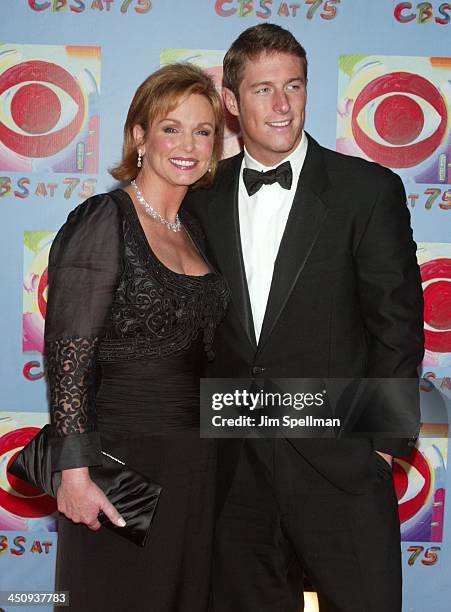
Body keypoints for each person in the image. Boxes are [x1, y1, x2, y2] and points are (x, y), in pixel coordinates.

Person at [183, 24, 424, 612]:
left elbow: (396, 325)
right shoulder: (199, 198)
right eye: (263, 90)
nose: (283, 105)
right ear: (233, 104)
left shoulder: (366, 190)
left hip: (341, 468)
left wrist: (383, 449)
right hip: (234, 475)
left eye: (293, 86)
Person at [45, 62, 228, 612]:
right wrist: (73, 472)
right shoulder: (105, 218)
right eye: (171, 127)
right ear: (139, 136)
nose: (188, 144)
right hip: (119, 463)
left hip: (194, 463)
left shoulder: (194, 227)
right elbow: (68, 356)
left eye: (203, 131)